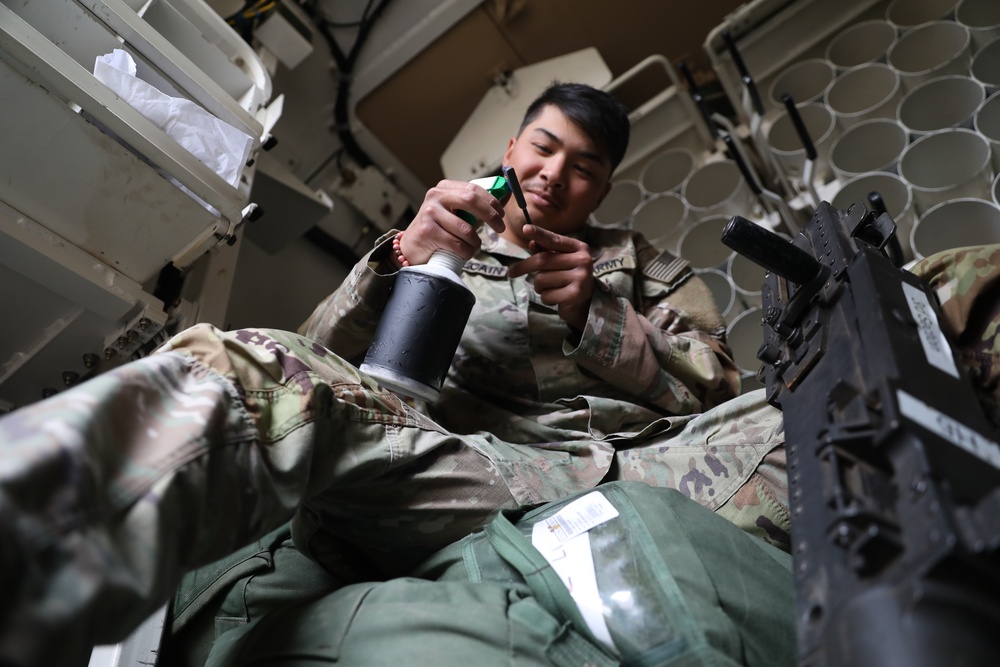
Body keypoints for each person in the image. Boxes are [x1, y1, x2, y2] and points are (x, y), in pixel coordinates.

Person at [0, 82, 796, 664]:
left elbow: (717, 389)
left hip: (648, 473)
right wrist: (402, 261)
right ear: (512, 149)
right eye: (544, 148)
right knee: (257, 372)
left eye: (584, 167)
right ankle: (24, 546)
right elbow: (314, 360)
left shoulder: (646, 269)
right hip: (464, 469)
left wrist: (599, 313)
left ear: (605, 188)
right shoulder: (438, 237)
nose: (556, 173)